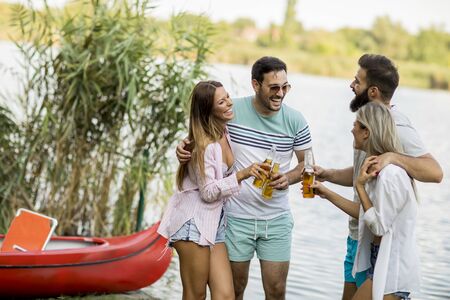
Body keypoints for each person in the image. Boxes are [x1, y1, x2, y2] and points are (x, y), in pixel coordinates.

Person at [177, 57, 313, 300]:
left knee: (276, 291)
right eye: (273, 88)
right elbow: (202, 131)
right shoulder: (231, 111)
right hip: (235, 219)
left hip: (276, 219)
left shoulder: (296, 120)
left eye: (285, 87)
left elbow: (307, 164)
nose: (280, 94)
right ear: (255, 85)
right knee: (234, 290)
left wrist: (288, 178)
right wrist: (184, 147)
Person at [313, 54, 443, 300]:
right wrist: (328, 175)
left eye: (356, 81)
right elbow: (362, 172)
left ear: (372, 91)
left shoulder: (396, 127)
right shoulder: (365, 125)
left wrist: (393, 157)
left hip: (382, 248)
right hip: (359, 236)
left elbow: (435, 172)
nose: (351, 86)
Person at [157, 80, 265, 300]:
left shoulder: (224, 131)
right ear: (209, 110)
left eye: (228, 97)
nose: (229, 103)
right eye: (222, 101)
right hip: (193, 223)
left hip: (214, 223)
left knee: (225, 295)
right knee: (196, 295)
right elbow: (207, 193)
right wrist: (243, 174)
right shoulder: (205, 145)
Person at [312, 102, 420, 299]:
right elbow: (365, 214)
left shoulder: (391, 175)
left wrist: (360, 186)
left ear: (366, 132)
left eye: (356, 124)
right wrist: (326, 192)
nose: (352, 129)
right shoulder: (376, 170)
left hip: (392, 267)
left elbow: (378, 226)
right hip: (378, 259)